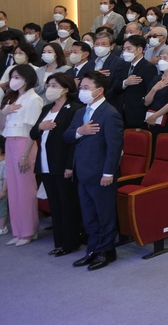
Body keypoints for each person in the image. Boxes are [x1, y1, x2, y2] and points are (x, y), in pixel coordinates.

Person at [63, 72, 123, 269]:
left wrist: (108, 173)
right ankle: (92, 249)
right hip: (82, 172)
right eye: (81, 88)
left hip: (101, 174)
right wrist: (80, 131)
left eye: (86, 88)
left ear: (99, 91)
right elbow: (67, 136)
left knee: (104, 214)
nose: (82, 91)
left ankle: (107, 251)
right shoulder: (80, 112)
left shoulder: (110, 113)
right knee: (88, 214)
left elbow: (114, 147)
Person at [30, 73, 83, 257]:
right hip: (45, 163)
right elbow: (32, 133)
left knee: (67, 204)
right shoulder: (46, 108)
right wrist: (40, 127)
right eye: (48, 85)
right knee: (55, 205)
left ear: (65, 89)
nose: (50, 88)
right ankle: (59, 242)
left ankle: (70, 242)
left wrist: (70, 166)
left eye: (54, 85)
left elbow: (74, 141)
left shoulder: (74, 109)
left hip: (62, 164)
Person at [0, 64, 43, 246]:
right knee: (14, 188)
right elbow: (2, 127)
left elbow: (34, 130)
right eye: (12, 77)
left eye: (17, 77)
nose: (13, 80)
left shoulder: (34, 99)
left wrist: (25, 155)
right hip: (10, 142)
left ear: (27, 79)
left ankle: (28, 231)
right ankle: (17, 230)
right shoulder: (14, 98)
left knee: (25, 189)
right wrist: (4, 112)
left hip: (24, 143)